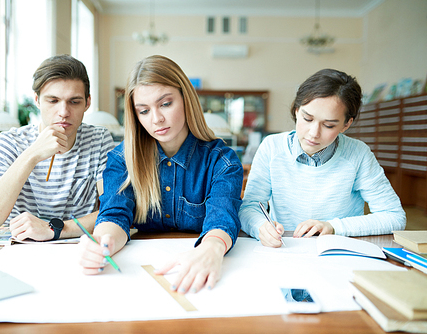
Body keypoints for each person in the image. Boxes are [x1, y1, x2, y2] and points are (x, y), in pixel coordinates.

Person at [79, 55, 243, 294]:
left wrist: (212, 249)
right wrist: (103, 242)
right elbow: (114, 214)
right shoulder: (121, 159)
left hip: (203, 280)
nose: (156, 119)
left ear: (186, 99)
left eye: (165, 104)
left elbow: (222, 216)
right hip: (141, 282)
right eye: (144, 111)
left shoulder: (222, 161)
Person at [239, 69, 406, 247]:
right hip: (285, 251)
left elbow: (394, 216)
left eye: (328, 125)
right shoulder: (272, 148)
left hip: (340, 252)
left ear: (346, 124)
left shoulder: (358, 154)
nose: (314, 133)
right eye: (307, 118)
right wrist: (260, 227)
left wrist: (334, 227)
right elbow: (249, 207)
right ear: (296, 111)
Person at [0, 54, 115, 241]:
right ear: (37, 100)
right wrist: (32, 155)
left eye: (74, 101)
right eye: (53, 101)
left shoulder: (99, 140)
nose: (63, 112)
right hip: (18, 250)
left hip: (77, 249)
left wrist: (54, 229)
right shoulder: (8, 142)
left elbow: (114, 210)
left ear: (88, 102)